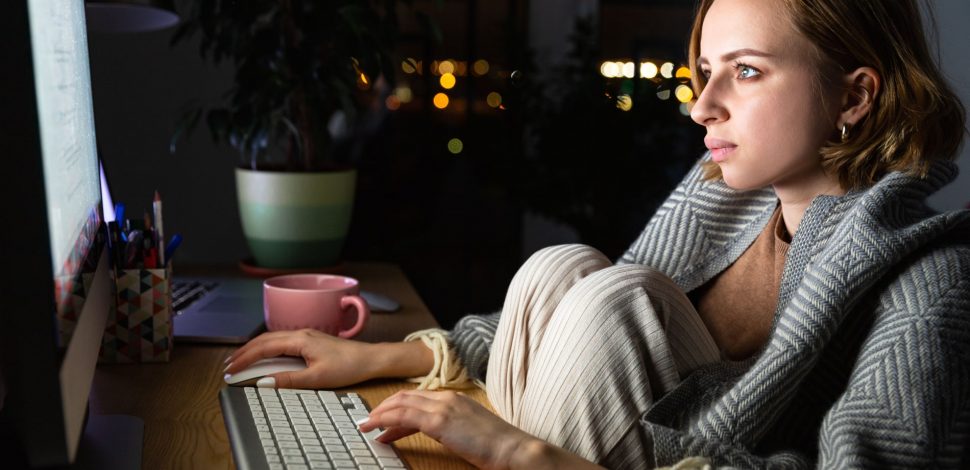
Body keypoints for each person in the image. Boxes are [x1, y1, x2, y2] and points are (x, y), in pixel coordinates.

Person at [225, 0, 970, 467]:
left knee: (621, 298)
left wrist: (524, 455)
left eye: (744, 72)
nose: (701, 105)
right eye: (704, 71)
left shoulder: (931, 283)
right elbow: (575, 327)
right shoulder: (726, 197)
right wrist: (381, 355)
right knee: (564, 266)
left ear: (855, 94)